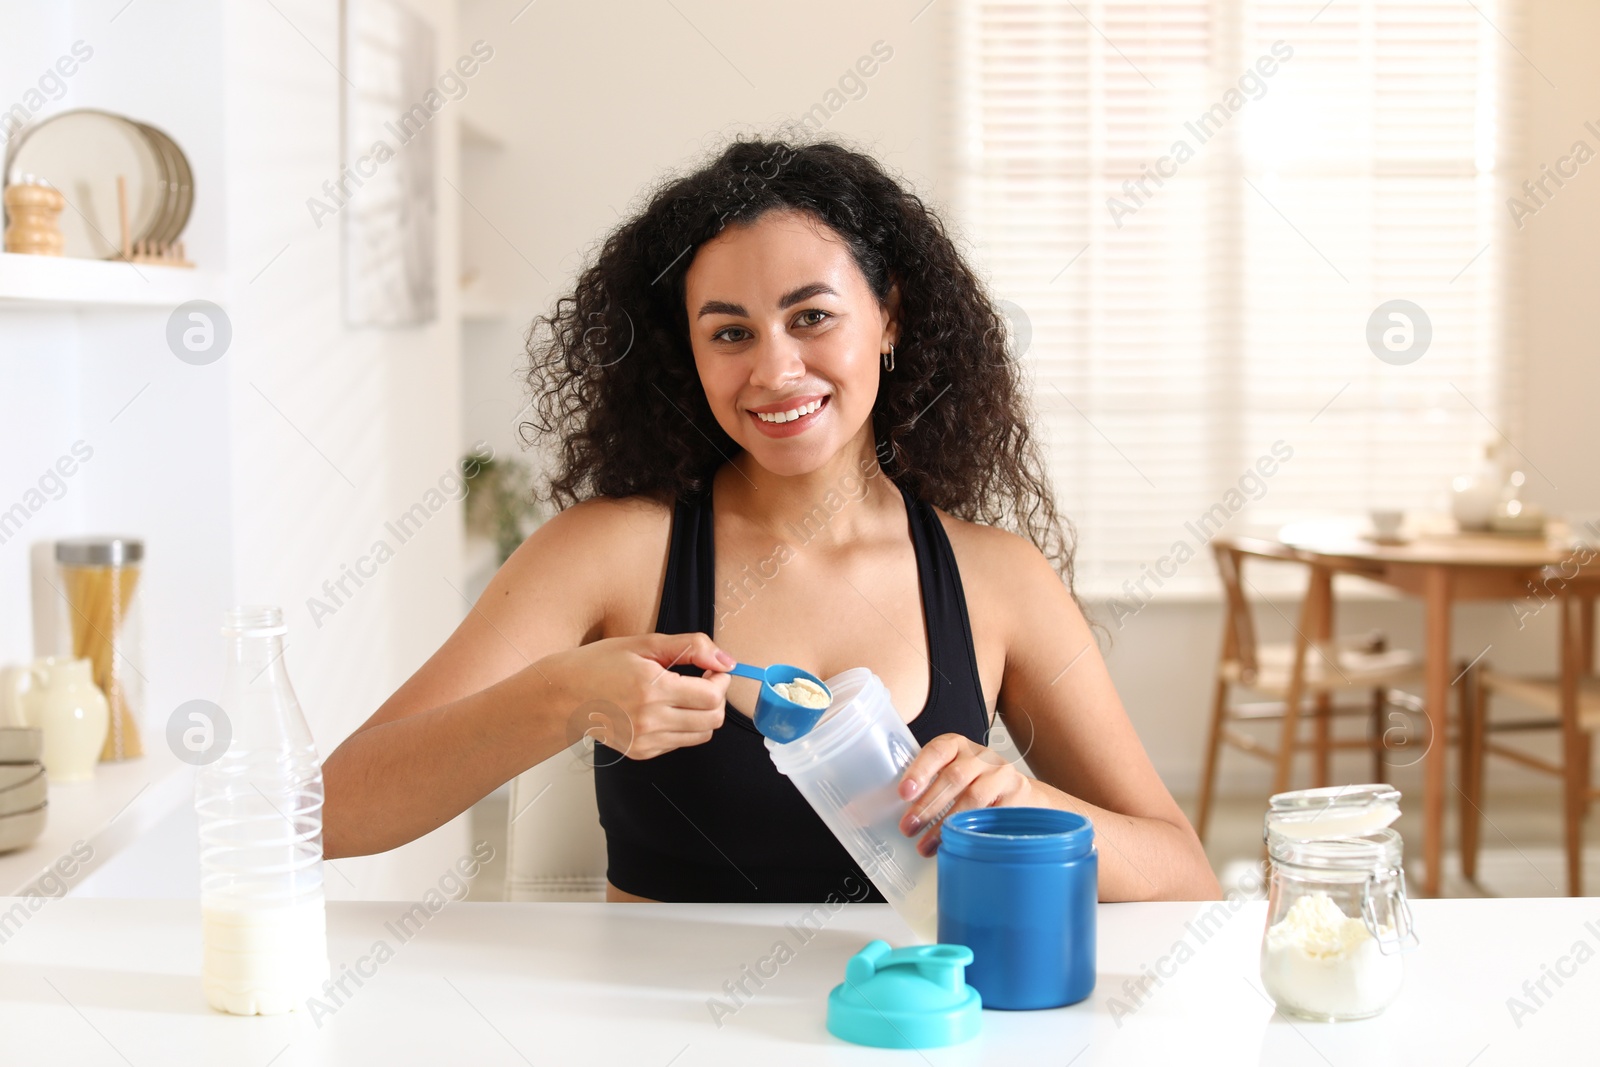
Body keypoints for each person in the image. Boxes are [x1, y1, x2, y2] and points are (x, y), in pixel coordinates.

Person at [321, 134, 1221, 904]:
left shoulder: (997, 579)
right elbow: (330, 813)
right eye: (730, 332)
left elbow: (1186, 877)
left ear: (890, 317)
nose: (776, 370)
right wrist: (565, 699)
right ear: (690, 353)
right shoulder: (608, 554)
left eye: (812, 316)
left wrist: (1035, 807)